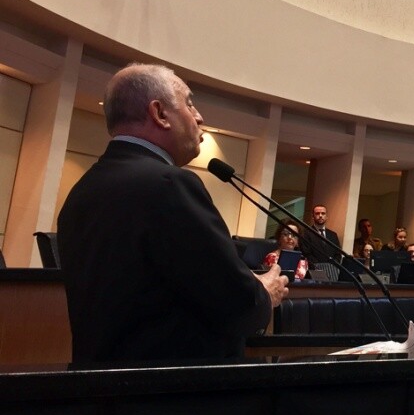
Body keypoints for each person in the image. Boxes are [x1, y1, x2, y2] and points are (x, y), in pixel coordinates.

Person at [57, 63, 288, 364]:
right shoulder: (169, 184)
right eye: (189, 103)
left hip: (102, 394)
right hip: (177, 398)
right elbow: (236, 307)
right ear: (160, 113)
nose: (199, 116)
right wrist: (264, 294)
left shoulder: (82, 191)